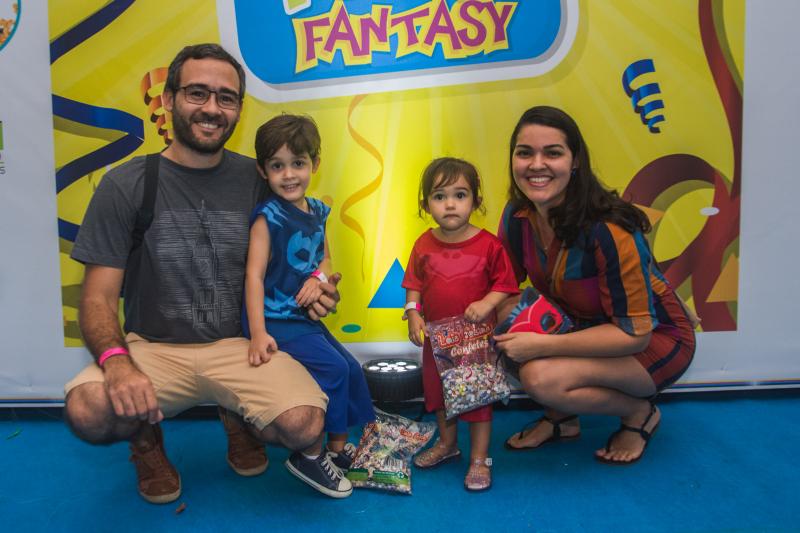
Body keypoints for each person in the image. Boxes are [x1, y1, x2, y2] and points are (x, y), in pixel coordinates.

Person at [62, 43, 341, 503]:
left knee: (304, 423)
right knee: (90, 410)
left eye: (225, 98)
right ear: (168, 99)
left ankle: (238, 416)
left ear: (238, 110)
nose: (212, 108)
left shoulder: (262, 181)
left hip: (241, 345)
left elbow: (307, 254)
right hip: (153, 347)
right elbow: (97, 298)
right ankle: (146, 442)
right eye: (197, 93)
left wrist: (322, 287)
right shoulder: (125, 184)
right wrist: (117, 364)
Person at [494, 106, 696, 464]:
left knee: (540, 378)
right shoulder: (516, 215)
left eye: (552, 153)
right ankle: (562, 418)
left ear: (575, 162)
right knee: (505, 314)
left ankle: (638, 413)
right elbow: (505, 288)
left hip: (653, 338)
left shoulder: (608, 229)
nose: (536, 164)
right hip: (584, 324)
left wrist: (541, 345)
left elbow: (636, 334)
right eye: (525, 153)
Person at [243, 113, 375, 498]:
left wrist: (318, 279)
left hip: (301, 317)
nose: (289, 175)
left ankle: (337, 447)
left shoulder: (318, 211)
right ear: (263, 170)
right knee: (334, 368)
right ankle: (312, 456)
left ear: (315, 164)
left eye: (298, 163)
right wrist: (257, 333)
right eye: (277, 166)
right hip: (274, 318)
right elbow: (253, 277)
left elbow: (326, 259)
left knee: (351, 367)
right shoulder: (267, 218)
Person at [402, 157, 519, 491]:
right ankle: (447, 444)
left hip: (475, 343)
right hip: (437, 343)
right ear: (426, 204)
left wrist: (487, 304)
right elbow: (414, 284)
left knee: (478, 398)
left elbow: (505, 284)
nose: (450, 204)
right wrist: (413, 313)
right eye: (439, 196)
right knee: (439, 395)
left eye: (460, 195)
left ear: (476, 201)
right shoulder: (423, 244)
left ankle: (480, 459)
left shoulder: (489, 245)